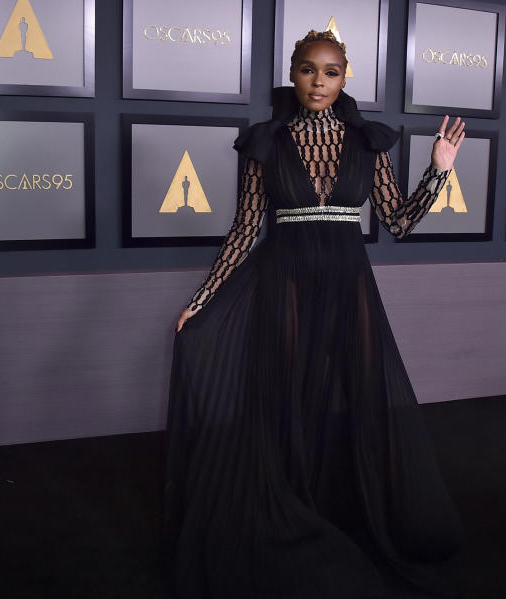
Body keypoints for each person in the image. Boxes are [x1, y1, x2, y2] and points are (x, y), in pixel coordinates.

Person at [162, 29, 467, 598]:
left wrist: (439, 168)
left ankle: (355, 506)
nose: (318, 82)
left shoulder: (365, 141)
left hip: (349, 283)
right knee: (286, 399)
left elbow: (398, 221)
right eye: (307, 70)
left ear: (344, 78)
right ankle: (288, 509)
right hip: (287, 283)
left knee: (361, 397)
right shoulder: (266, 142)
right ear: (293, 75)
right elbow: (246, 230)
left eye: (330, 72)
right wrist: (200, 301)